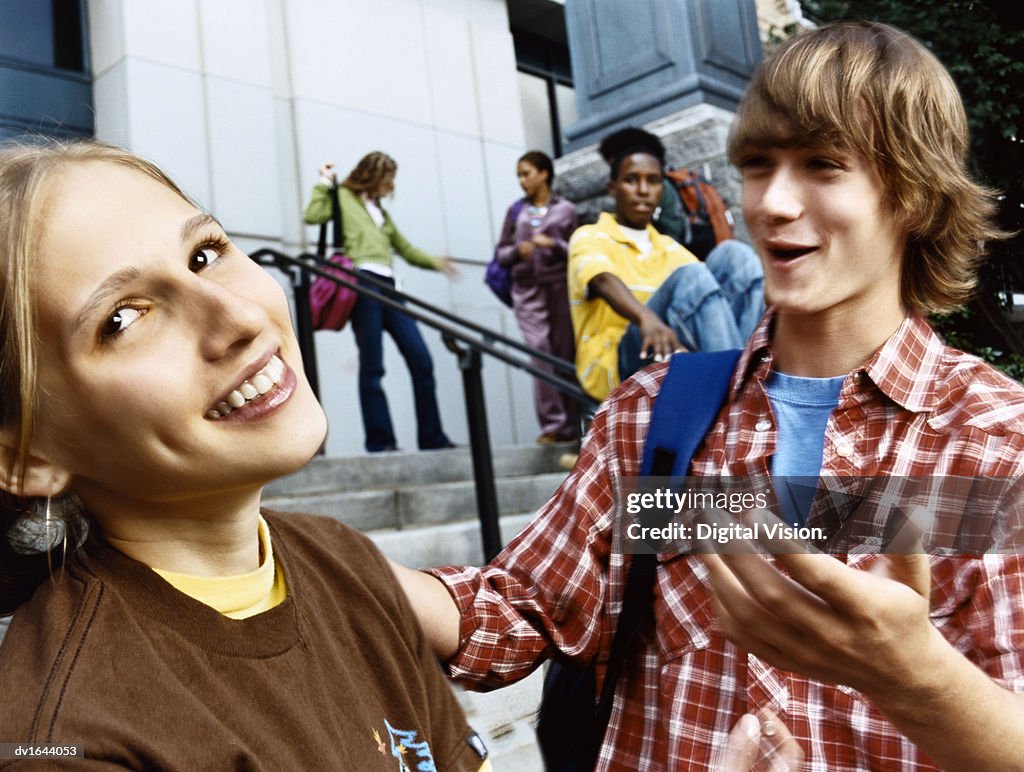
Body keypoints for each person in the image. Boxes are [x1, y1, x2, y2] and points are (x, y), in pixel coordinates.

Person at [390, 21, 1024, 770]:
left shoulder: (994, 440)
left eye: (824, 164)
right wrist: (330, 566)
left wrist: (913, 674)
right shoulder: (661, 415)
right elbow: (519, 608)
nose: (774, 203)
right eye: (758, 165)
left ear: (913, 194)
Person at [0, 140, 490, 771]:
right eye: (123, 318)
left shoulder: (348, 562)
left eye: (205, 255)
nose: (238, 317)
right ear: (25, 458)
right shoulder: (70, 741)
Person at [568, 127, 765, 402]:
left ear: (662, 188)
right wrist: (645, 317)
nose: (643, 191)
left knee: (736, 256)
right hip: (617, 363)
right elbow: (600, 279)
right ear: (613, 188)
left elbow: (706, 298)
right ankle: (740, 400)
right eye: (631, 180)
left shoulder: (669, 247)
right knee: (692, 275)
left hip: (672, 348)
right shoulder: (590, 235)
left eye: (653, 181)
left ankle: (746, 376)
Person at [304, 152, 457, 453]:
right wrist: (324, 181)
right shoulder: (344, 196)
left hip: (390, 288)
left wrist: (438, 263)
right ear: (375, 176)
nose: (390, 186)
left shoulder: (379, 211)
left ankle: (432, 438)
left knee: (421, 361)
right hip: (363, 286)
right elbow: (313, 215)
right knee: (373, 367)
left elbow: (406, 249)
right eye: (388, 179)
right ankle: (381, 441)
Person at [494, 151, 579, 444]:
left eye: (526, 173)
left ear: (544, 173)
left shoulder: (566, 209)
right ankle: (553, 425)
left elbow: (578, 251)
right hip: (527, 291)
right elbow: (501, 253)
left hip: (559, 288)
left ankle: (571, 426)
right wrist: (519, 250)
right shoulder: (515, 211)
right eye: (519, 175)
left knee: (564, 354)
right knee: (540, 352)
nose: (522, 180)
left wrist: (554, 244)